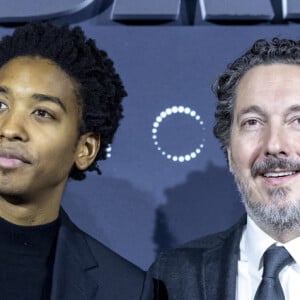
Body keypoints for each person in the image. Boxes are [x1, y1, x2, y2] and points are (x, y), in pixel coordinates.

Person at [0, 22, 152, 300]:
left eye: (42, 113)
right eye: (1, 105)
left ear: (85, 149)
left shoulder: (125, 289)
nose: (10, 128)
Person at [150, 37, 300, 299]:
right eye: (252, 122)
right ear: (229, 153)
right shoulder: (171, 278)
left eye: (298, 120)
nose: (274, 145)